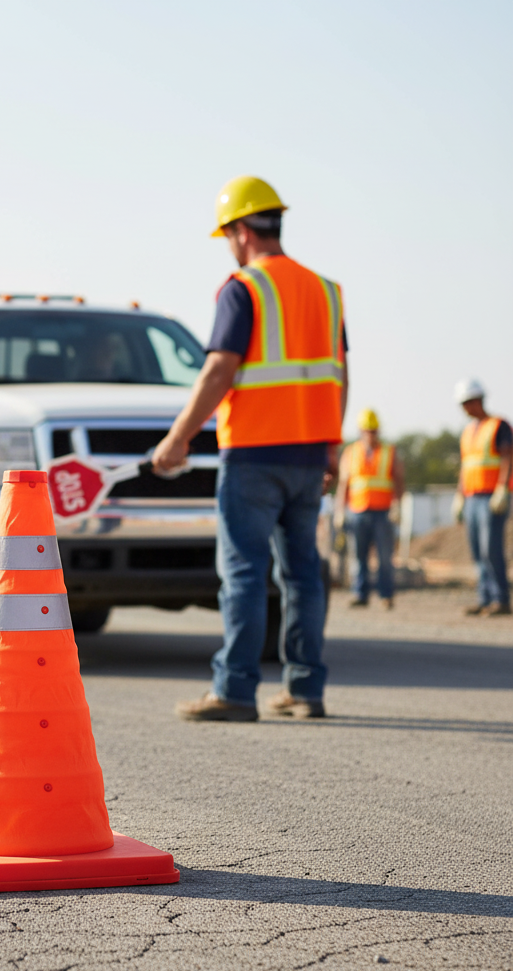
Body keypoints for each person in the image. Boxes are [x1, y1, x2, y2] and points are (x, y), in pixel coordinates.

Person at [153, 176, 348, 722]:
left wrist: (179, 436)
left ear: (241, 231)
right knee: (303, 574)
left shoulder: (244, 287)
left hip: (255, 454)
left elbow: (219, 368)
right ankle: (305, 690)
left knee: (243, 572)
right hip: (310, 454)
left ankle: (235, 692)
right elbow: (340, 375)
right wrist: (332, 444)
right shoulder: (327, 291)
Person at [335, 408, 405, 609]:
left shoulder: (389, 451)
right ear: (360, 431)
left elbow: (399, 479)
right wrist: (340, 510)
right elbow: (343, 484)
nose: (371, 434)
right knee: (358, 556)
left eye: (373, 430)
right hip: (357, 511)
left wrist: (397, 504)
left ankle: (386, 594)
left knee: (385, 557)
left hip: (383, 512)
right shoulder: (350, 452)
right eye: (367, 430)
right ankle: (360, 593)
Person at [451, 379, 511, 616]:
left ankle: (500, 599)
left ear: (477, 400)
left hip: (491, 497)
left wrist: (502, 488)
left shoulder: (499, 426)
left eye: (467, 403)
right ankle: (485, 597)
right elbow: (467, 466)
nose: (465, 409)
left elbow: (507, 457)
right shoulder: (468, 432)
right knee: (477, 550)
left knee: (491, 549)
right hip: (472, 498)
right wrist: (459, 496)